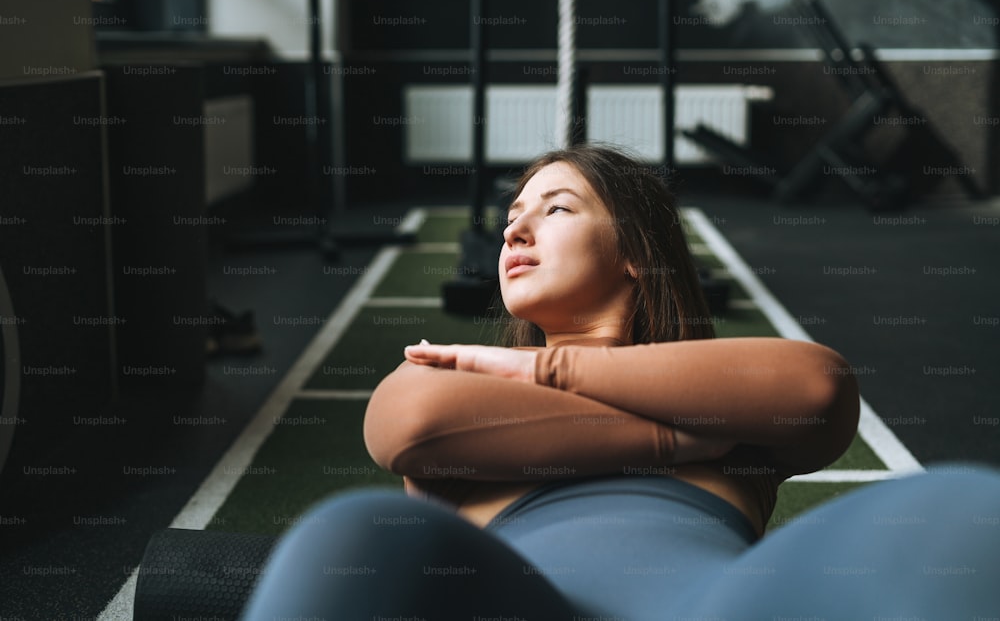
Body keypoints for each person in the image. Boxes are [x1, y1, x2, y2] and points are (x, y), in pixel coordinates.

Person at [240, 145, 1000, 621]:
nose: (514, 231)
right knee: (356, 533)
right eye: (513, 216)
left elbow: (821, 388)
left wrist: (542, 364)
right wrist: (675, 437)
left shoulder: (719, 382)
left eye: (556, 208)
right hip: (522, 606)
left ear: (637, 252)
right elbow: (410, 421)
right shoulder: (719, 415)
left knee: (961, 507)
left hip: (714, 605)